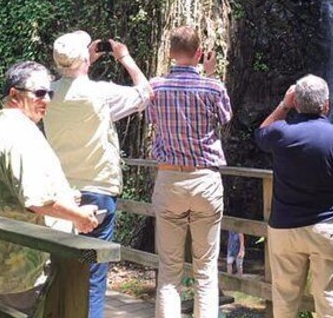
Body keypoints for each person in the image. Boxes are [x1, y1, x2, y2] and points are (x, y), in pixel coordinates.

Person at [255, 75, 333, 318]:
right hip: (326, 229)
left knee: (283, 301)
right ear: (326, 105)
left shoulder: (281, 134)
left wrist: (284, 105)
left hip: (284, 230)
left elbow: (261, 132)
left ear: (296, 103)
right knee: (329, 302)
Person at [43, 31, 152, 318]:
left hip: (60, 194)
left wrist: (83, 61)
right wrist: (124, 57)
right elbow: (145, 93)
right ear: (83, 59)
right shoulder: (100, 94)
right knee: (93, 274)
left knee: (62, 269)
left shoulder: (46, 95)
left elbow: (69, 85)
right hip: (98, 190)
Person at [0, 60, 99, 312]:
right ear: (14, 94)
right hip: (26, 266)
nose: (47, 100)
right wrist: (80, 217)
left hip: (2, 263)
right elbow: (36, 199)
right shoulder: (19, 132)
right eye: (39, 93)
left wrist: (64, 196)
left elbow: (13, 191)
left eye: (49, 93)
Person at [146, 25, 231, 318]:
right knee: (205, 272)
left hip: (169, 180)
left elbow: (152, 119)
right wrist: (211, 75)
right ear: (199, 54)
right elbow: (225, 117)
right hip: (205, 179)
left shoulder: (155, 87)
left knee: (169, 272)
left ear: (170, 53)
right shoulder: (213, 86)